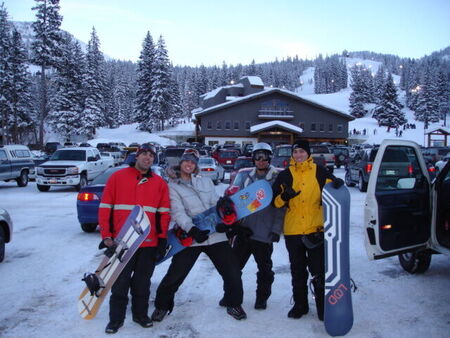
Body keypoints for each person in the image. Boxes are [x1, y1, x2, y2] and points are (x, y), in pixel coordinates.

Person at [151, 148, 247, 322]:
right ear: (181, 163)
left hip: (214, 235)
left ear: (196, 166)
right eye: (186, 161)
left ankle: (233, 302)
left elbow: (213, 202)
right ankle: (162, 305)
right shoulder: (172, 187)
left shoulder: (206, 182)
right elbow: (178, 212)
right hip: (190, 237)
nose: (189, 164)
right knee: (175, 275)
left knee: (232, 271)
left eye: (193, 162)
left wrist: (223, 218)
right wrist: (192, 230)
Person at [98, 144, 171, 334]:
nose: (147, 158)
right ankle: (116, 319)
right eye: (144, 154)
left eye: (151, 156)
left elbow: (164, 213)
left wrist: (162, 238)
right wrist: (106, 235)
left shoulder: (159, 183)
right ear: (136, 157)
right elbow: (105, 208)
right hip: (123, 241)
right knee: (120, 282)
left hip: (148, 242)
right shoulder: (117, 177)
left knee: (142, 282)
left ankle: (140, 315)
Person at [272, 139, 344, 321]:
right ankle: (300, 305)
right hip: (293, 230)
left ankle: (322, 307)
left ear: (308, 153)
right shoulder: (285, 175)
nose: (298, 155)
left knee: (318, 271)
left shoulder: (320, 172)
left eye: (302, 152)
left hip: (315, 229)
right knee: (298, 271)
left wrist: (338, 184)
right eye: (295, 152)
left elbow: (334, 187)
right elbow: (274, 202)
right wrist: (285, 197)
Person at [219, 142, 284, 310]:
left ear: (269, 158)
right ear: (253, 159)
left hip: (264, 232)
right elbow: (237, 203)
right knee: (233, 268)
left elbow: (280, 208)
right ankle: (229, 295)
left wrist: (276, 230)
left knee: (264, 269)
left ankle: (261, 298)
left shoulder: (276, 178)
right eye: (257, 157)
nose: (261, 161)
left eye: (264, 157)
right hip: (245, 231)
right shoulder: (247, 178)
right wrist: (235, 225)